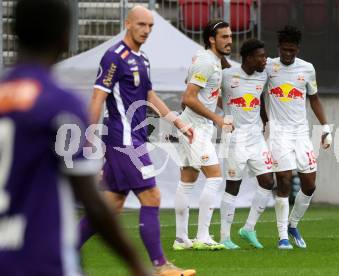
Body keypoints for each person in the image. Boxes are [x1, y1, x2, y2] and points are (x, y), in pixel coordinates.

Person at [0, 0, 148, 275]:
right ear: (64, 38)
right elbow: (90, 199)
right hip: (42, 256)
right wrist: (135, 263)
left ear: (12, 30)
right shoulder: (59, 102)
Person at [75, 5, 195, 276]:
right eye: (141, 24)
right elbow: (97, 97)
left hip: (136, 137)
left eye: (150, 26)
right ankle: (161, 266)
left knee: (111, 206)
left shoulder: (143, 59)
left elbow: (150, 95)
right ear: (128, 23)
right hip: (124, 141)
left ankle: (62, 251)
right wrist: (89, 138)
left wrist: (176, 120)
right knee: (151, 195)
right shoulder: (113, 57)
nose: (147, 30)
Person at [265, 25, 332, 249]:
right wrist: (265, 121)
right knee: (283, 178)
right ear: (279, 48)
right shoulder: (268, 67)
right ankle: (283, 235)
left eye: (292, 50)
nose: (288, 54)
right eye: (284, 50)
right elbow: (255, 91)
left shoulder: (307, 69)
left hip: (301, 133)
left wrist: (326, 127)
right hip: (279, 133)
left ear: (298, 49)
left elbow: (314, 98)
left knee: (310, 185)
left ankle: (293, 224)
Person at [173, 19, 233, 251]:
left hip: (191, 127)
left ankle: (181, 240)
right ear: (212, 39)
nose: (229, 41)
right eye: (224, 37)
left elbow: (197, 88)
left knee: (187, 181)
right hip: (194, 129)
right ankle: (203, 236)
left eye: (230, 36)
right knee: (215, 177)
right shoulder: (207, 62)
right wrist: (217, 118)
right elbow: (188, 97)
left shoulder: (208, 60)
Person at [218, 39, 274, 249]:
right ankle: (224, 237)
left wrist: (266, 120)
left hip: (256, 138)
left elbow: (258, 100)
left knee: (268, 182)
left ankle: (248, 228)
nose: (264, 60)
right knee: (233, 186)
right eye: (261, 56)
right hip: (234, 139)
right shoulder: (227, 75)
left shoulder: (263, 75)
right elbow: (208, 91)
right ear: (249, 57)